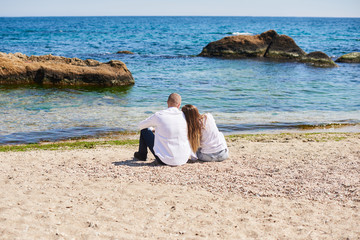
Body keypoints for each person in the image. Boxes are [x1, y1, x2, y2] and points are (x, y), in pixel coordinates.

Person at [134, 93, 191, 166]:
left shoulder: (159, 115)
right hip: (183, 159)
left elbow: (141, 125)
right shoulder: (185, 116)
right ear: (179, 105)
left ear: (167, 102)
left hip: (164, 160)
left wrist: (152, 128)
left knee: (144, 129)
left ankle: (142, 155)